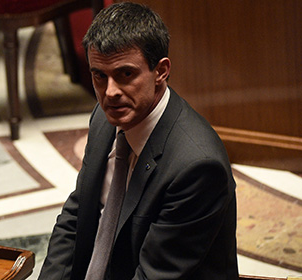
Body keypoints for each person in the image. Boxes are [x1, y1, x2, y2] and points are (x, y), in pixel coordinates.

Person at [39, 2, 238, 280]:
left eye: (126, 74)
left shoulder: (197, 167)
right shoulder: (105, 117)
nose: (110, 93)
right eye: (99, 76)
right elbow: (77, 214)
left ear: (161, 71)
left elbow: (156, 275)